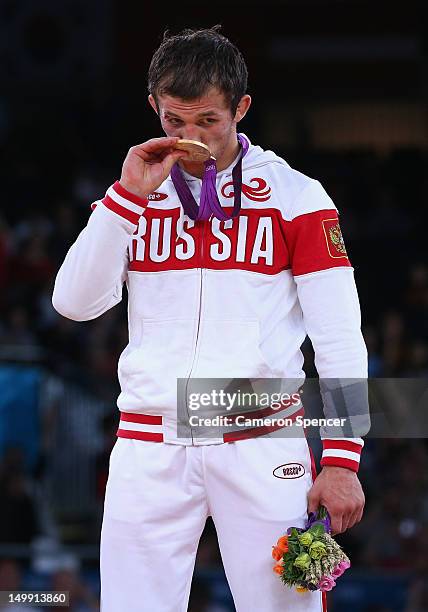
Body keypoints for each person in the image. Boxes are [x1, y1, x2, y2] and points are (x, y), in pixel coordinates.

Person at [52, 26, 367, 612]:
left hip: (262, 438)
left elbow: (340, 339)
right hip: (151, 439)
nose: (190, 138)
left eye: (208, 122)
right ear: (154, 106)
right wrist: (124, 200)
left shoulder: (298, 198)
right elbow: (73, 303)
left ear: (241, 109)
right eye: (174, 121)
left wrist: (343, 458)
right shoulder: (134, 192)